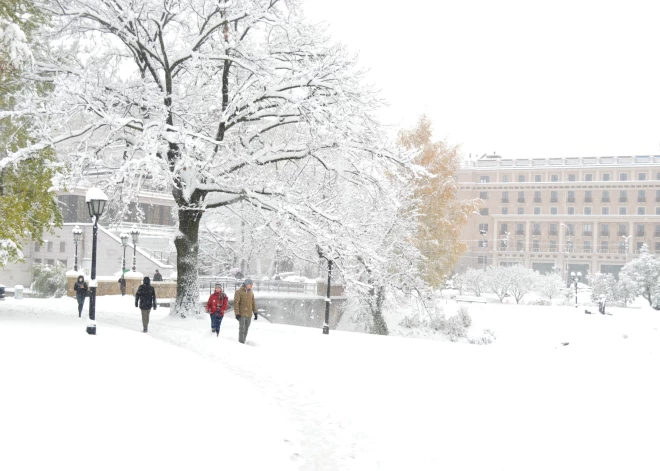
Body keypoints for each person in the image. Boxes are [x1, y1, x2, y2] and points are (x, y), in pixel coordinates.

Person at [234, 278, 258, 344]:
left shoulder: (251, 293)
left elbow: (253, 303)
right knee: (242, 329)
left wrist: (255, 312)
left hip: (249, 314)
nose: (251, 286)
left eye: (252, 284)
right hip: (241, 314)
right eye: (250, 284)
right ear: (247, 284)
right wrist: (237, 313)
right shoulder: (238, 292)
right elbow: (236, 303)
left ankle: (243, 341)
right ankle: (241, 343)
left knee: (246, 329)